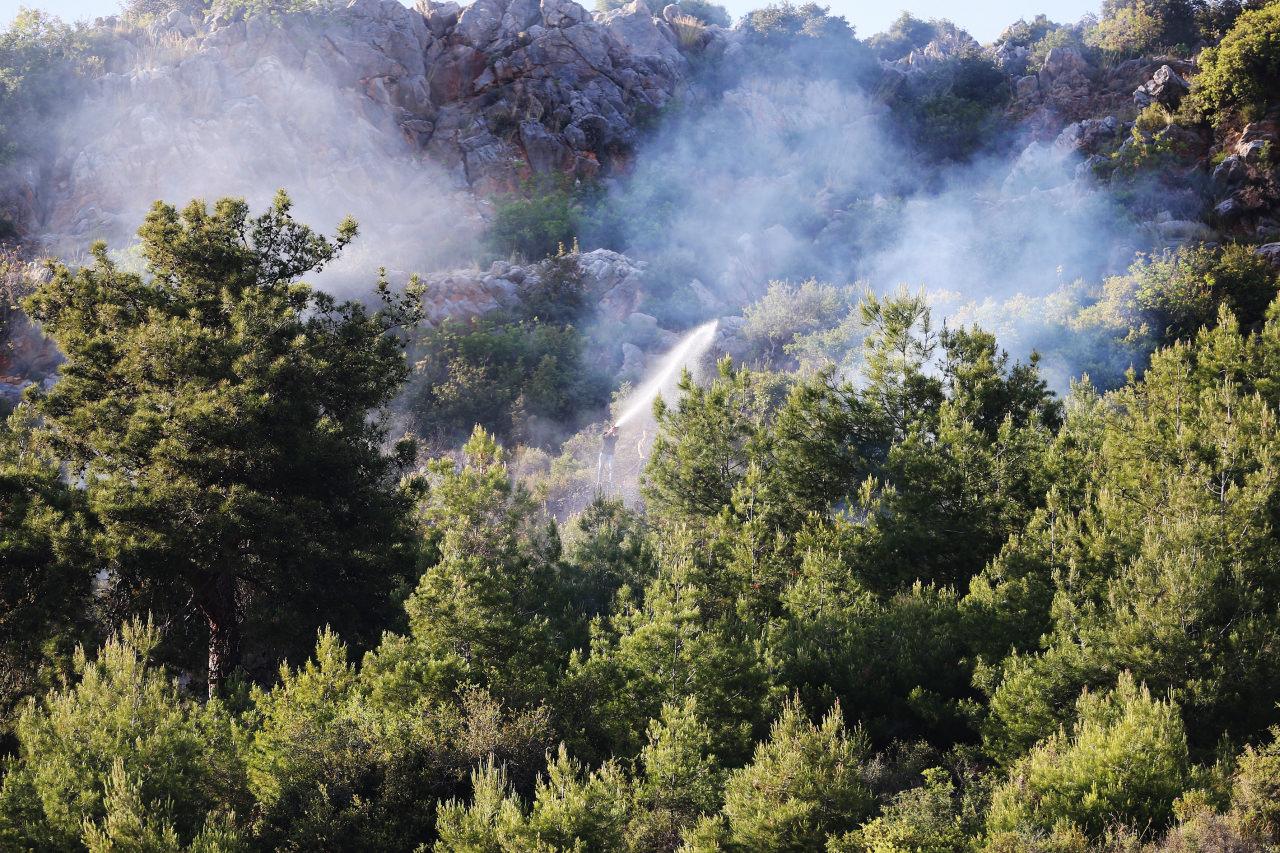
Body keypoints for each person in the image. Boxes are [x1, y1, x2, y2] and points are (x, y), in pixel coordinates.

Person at [597, 424, 620, 490]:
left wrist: (613, 432)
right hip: (603, 453)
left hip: (611, 454)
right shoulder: (605, 433)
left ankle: (611, 483)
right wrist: (610, 431)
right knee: (601, 467)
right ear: (611, 428)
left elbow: (614, 439)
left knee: (611, 468)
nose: (615, 430)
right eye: (613, 428)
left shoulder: (616, 436)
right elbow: (605, 437)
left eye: (616, 429)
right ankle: (599, 482)